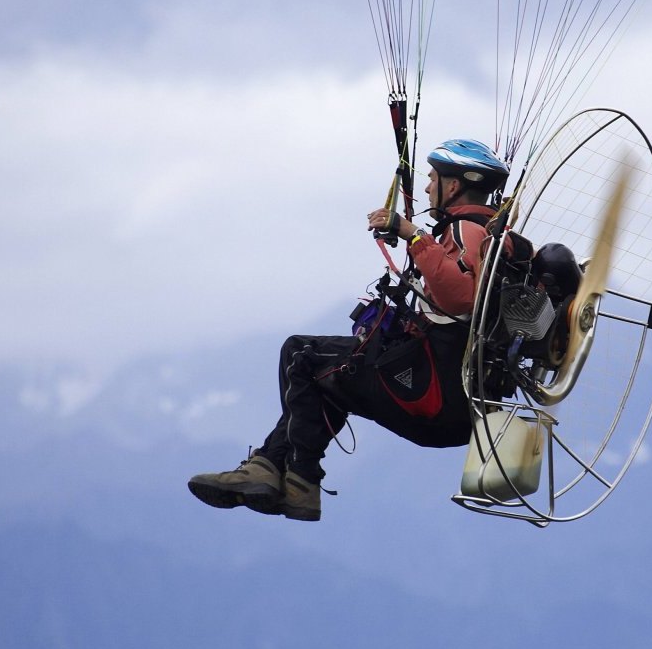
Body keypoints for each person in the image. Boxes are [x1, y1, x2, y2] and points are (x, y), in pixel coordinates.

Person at [187, 139, 510, 522]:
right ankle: (270, 469)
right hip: (456, 408)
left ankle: (299, 478)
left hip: (432, 394)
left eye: (432, 179)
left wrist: (412, 234)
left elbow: (461, 298)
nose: (426, 188)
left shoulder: (465, 232)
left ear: (452, 186)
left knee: (301, 354)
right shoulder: (498, 239)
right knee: (330, 376)